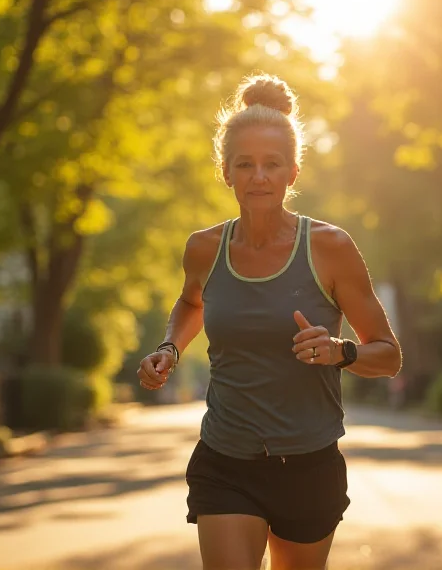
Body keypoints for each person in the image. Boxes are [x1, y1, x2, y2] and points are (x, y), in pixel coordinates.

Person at [137, 73, 402, 570]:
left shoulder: (331, 249)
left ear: (292, 173)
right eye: (245, 164)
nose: (259, 176)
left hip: (308, 464)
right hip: (225, 459)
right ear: (226, 173)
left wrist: (339, 351)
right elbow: (192, 303)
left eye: (272, 164)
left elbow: (388, 355)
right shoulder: (204, 249)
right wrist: (169, 348)